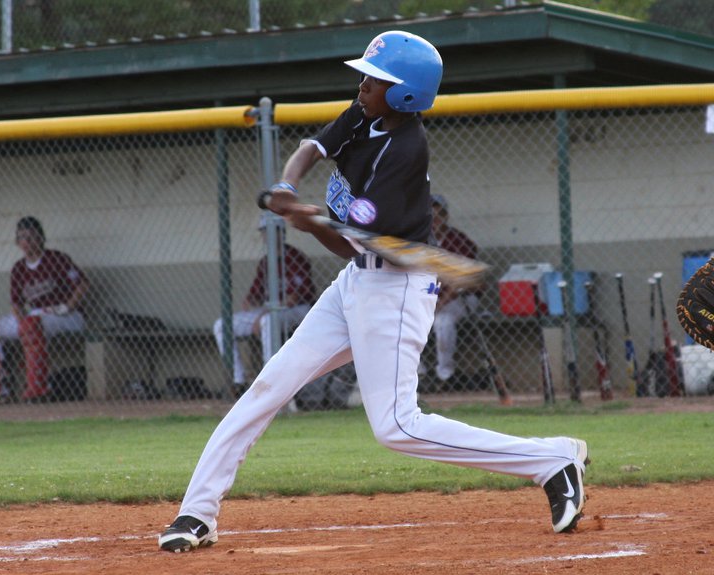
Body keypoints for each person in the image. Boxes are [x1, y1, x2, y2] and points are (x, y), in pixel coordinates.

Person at [159, 30, 588, 553]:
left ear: (405, 94)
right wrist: (289, 188)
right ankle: (197, 513)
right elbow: (311, 149)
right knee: (269, 386)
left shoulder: (405, 150)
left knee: (397, 427)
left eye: (376, 80)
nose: (363, 85)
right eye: (365, 76)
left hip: (396, 288)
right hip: (355, 282)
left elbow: (353, 243)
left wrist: (310, 224)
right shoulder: (365, 114)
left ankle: (551, 461)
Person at [213, 214, 316, 393]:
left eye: (271, 231)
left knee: (267, 321)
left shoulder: (295, 257)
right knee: (222, 325)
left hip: (300, 310)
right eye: (264, 232)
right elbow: (255, 296)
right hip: (269, 311)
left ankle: (271, 379)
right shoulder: (265, 262)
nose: (266, 236)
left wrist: (262, 314)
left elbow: (294, 298)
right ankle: (238, 381)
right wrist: (249, 303)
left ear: (281, 233)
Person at [0, 216, 89, 403]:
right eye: (22, 237)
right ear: (17, 242)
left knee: (32, 325)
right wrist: (21, 322)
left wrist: (67, 306)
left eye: (32, 236)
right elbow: (16, 304)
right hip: (36, 316)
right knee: (14, 325)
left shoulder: (57, 259)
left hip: (67, 315)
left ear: (41, 238)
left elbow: (83, 284)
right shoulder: (19, 268)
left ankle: (38, 389)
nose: (27, 241)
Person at [426, 193, 482, 390]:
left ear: (446, 216)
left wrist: (438, 305)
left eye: (438, 215)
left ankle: (445, 375)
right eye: (430, 216)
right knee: (403, 323)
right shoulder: (421, 241)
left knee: (443, 321)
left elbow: (460, 283)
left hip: (463, 298)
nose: (435, 220)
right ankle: (419, 376)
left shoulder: (459, 240)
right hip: (431, 296)